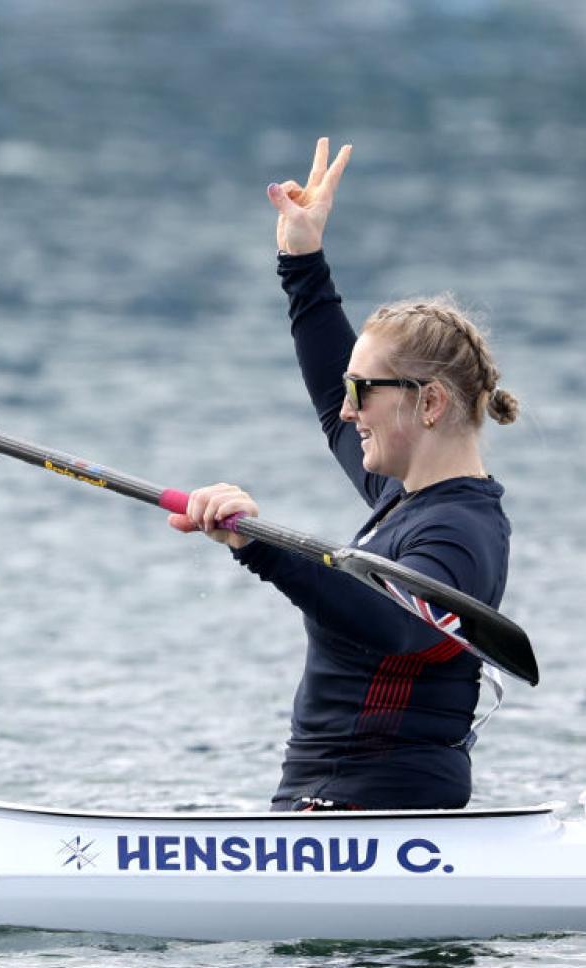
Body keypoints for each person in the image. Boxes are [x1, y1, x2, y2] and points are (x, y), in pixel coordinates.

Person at [168, 138, 520, 812]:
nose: (348, 409)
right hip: (331, 807)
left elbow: (402, 627)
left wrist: (258, 545)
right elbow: (334, 400)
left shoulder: (460, 534)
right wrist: (300, 258)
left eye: (363, 392)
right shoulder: (404, 499)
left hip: (372, 813)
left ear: (430, 402)